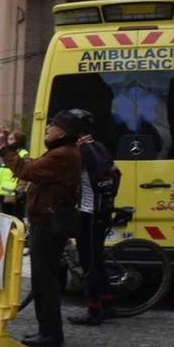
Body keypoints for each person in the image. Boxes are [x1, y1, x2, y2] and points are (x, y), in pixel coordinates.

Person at [0, 114, 84, 347]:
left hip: (49, 220)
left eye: (53, 126)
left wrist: (4, 150)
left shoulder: (62, 154)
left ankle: (50, 332)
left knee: (44, 278)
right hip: (49, 218)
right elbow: (34, 166)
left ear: (63, 132)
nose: (47, 128)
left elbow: (28, 170)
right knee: (45, 277)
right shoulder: (61, 152)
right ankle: (47, 329)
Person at [67, 110, 119, 327]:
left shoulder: (85, 150)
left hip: (90, 211)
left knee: (89, 263)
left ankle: (94, 310)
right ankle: (107, 304)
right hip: (100, 210)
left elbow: (91, 180)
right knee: (97, 259)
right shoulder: (97, 145)